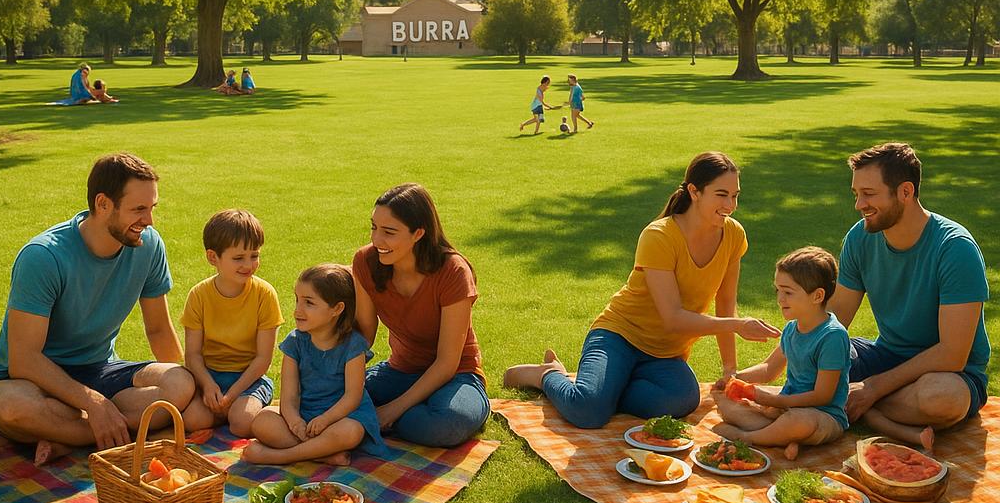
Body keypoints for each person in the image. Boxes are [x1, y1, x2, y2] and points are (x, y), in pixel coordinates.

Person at [503, 152, 780, 427]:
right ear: (694, 192)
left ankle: (607, 389)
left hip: (665, 353)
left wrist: (729, 368)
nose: (731, 205)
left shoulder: (733, 235)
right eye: (721, 195)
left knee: (684, 399)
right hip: (619, 336)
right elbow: (672, 317)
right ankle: (547, 374)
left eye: (735, 195)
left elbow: (726, 300)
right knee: (588, 411)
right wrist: (738, 325)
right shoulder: (659, 236)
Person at [0, 153, 197, 464]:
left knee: (180, 383)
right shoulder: (43, 257)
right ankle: (114, 428)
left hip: (99, 369)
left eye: (152, 209)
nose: (148, 221)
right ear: (103, 204)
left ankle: (70, 436)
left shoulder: (148, 245)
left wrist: (185, 396)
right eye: (138, 210)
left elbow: (159, 328)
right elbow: (24, 360)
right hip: (31, 381)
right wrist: (94, 403)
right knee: (10, 407)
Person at [830, 142, 991, 450]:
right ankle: (864, 406)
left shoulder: (955, 248)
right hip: (887, 356)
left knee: (940, 399)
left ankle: (847, 402)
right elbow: (832, 321)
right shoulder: (860, 237)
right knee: (819, 356)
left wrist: (873, 388)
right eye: (856, 194)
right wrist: (771, 368)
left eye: (869, 194)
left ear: (905, 191)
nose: (858, 204)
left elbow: (952, 354)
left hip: (950, 373)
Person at [353, 183, 490, 447]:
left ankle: (459, 409)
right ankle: (400, 412)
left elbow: (447, 362)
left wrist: (392, 410)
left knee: (443, 425)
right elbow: (364, 337)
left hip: (456, 375)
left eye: (389, 232)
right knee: (331, 400)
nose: (376, 240)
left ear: (418, 233)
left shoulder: (453, 271)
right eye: (374, 228)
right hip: (401, 371)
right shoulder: (365, 262)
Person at [244, 265, 387, 465]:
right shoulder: (294, 342)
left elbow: (352, 397)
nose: (297, 310)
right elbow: (289, 396)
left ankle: (281, 456)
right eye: (297, 300)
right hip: (305, 412)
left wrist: (326, 420)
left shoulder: (353, 345)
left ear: (337, 309)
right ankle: (323, 455)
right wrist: (294, 421)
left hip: (341, 416)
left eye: (309, 303)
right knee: (262, 421)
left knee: (351, 432)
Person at [714, 247, 849, 459]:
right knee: (726, 403)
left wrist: (773, 400)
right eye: (778, 290)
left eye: (788, 292)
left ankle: (747, 438)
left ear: (817, 296)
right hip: (785, 410)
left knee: (799, 422)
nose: (779, 299)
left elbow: (823, 396)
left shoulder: (832, 337)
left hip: (822, 415)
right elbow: (769, 370)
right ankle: (784, 439)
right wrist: (735, 378)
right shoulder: (792, 329)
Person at [180, 210, 282, 437]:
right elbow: (193, 355)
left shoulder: (265, 294)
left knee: (242, 423)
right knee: (192, 420)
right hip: (210, 377)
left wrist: (233, 394)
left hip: (249, 378)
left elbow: (263, 359)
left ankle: (240, 410)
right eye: (238, 258)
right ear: (213, 257)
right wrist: (207, 385)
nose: (249, 264)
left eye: (254, 256)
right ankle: (224, 411)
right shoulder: (198, 295)